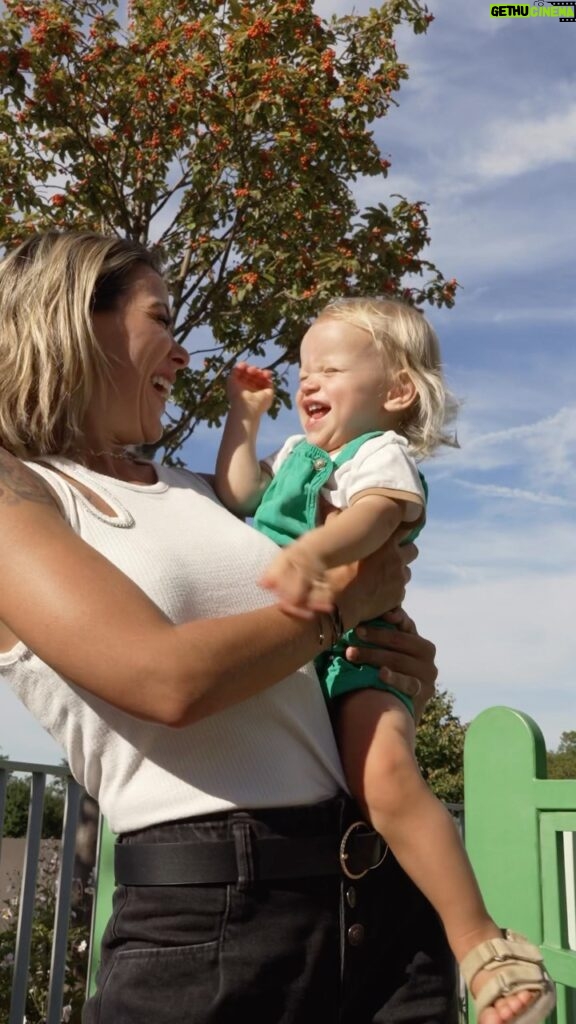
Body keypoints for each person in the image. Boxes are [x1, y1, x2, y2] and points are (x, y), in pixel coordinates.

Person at [0, 230, 457, 1024]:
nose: (182, 356)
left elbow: (322, 610)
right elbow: (165, 680)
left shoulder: (201, 490)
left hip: (377, 901)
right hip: (217, 922)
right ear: (76, 319)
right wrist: (342, 604)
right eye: (163, 321)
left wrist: (386, 653)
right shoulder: (24, 493)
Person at [215, 297, 556, 1024]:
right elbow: (238, 491)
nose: (308, 381)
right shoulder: (297, 457)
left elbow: (378, 513)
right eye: (304, 369)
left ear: (396, 392)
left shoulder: (378, 453)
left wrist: (316, 550)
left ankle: (479, 944)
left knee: (384, 776)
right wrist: (243, 419)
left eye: (331, 368)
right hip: (301, 657)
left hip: (362, 649)